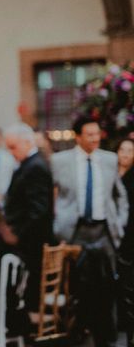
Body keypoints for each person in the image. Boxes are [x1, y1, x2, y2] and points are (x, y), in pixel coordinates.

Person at [51, 116, 128, 347]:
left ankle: (105, 337)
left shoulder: (109, 159)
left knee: (106, 287)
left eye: (97, 134)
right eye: (90, 134)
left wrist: (120, 223)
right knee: (78, 288)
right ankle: (77, 336)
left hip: (104, 231)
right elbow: (51, 195)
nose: (95, 138)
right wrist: (58, 225)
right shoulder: (59, 161)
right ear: (78, 136)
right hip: (75, 231)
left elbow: (120, 195)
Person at [2, 123, 54, 312]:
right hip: (27, 238)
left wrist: (17, 236)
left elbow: (38, 211)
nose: (10, 152)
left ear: (26, 142)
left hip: (30, 241)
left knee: (29, 293)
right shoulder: (29, 164)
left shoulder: (35, 167)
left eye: (13, 147)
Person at [116, 138, 134, 342]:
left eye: (130, 150)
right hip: (114, 233)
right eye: (123, 149)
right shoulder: (111, 173)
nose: (126, 154)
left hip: (130, 234)